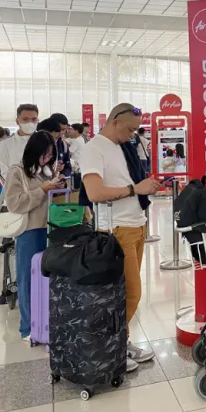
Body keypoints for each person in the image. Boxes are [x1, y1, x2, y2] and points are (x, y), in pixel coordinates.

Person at [80, 103, 160, 372]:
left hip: (136, 223)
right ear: (114, 121)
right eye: (129, 128)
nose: (132, 134)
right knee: (130, 293)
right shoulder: (93, 149)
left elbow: (128, 182)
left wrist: (141, 187)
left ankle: (121, 342)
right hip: (116, 229)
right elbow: (94, 193)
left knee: (125, 293)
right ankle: (110, 347)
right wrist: (134, 188)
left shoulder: (122, 147)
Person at [2, 131, 66, 342]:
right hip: (29, 231)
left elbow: (51, 198)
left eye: (50, 154)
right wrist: (43, 189)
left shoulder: (45, 172)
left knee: (48, 277)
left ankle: (47, 321)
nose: (46, 158)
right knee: (27, 278)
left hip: (50, 229)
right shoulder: (18, 172)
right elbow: (16, 203)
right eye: (43, 154)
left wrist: (57, 184)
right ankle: (27, 327)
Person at [0, 104, 40, 185]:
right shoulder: (5, 144)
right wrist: (16, 191)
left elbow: (51, 168)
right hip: (17, 193)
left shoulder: (46, 142)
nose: (30, 123)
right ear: (17, 121)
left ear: (38, 121)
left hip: (43, 191)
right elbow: (3, 173)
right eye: (25, 119)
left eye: (34, 119)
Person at [49, 113, 71, 177]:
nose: (61, 132)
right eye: (58, 129)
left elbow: (68, 166)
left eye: (63, 129)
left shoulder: (64, 145)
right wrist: (52, 168)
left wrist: (62, 175)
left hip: (57, 184)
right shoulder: (39, 144)